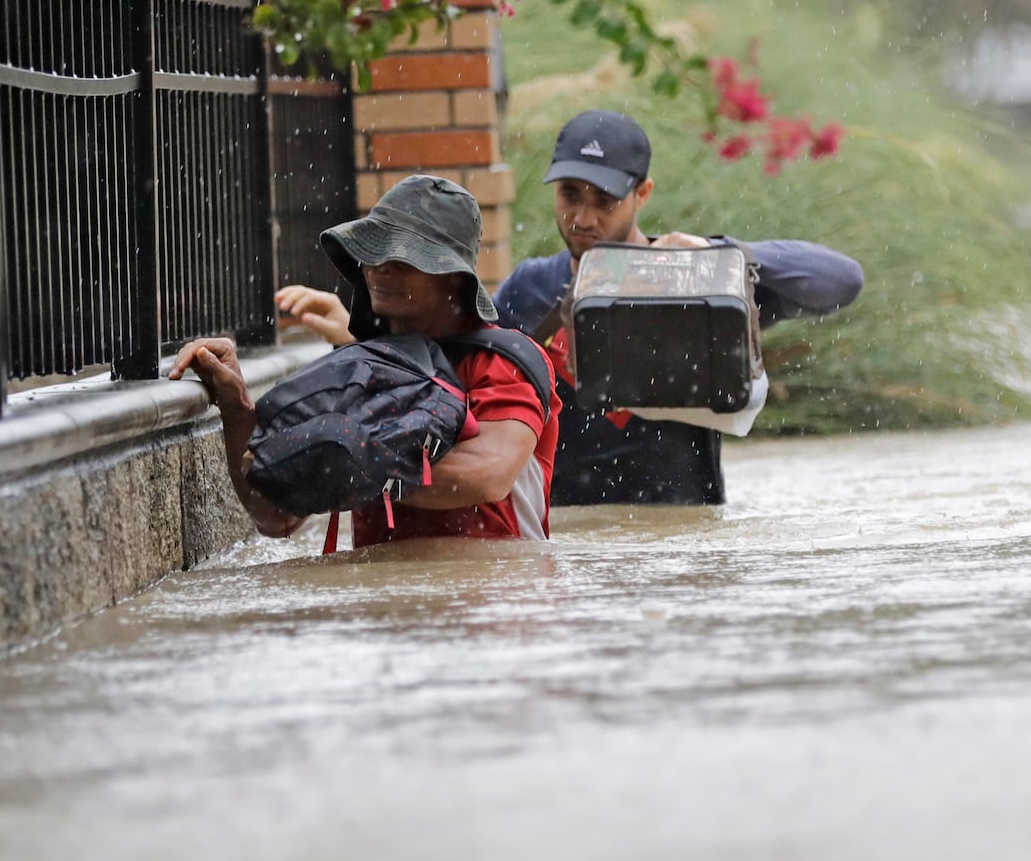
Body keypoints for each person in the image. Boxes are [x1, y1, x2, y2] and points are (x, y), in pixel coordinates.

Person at [493, 108, 865, 506]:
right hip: (567, 539)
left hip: (682, 539)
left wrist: (723, 253)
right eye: (570, 194)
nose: (583, 218)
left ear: (643, 194)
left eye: (605, 200)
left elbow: (841, 281)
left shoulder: (699, 284)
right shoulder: (528, 289)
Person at [171, 175, 560, 547]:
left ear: (454, 276)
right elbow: (275, 516)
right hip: (382, 608)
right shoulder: (355, 373)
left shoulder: (505, 362)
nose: (379, 266)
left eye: (404, 256)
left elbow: (488, 473)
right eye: (374, 249)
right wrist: (235, 405)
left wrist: (355, 462)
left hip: (492, 604)